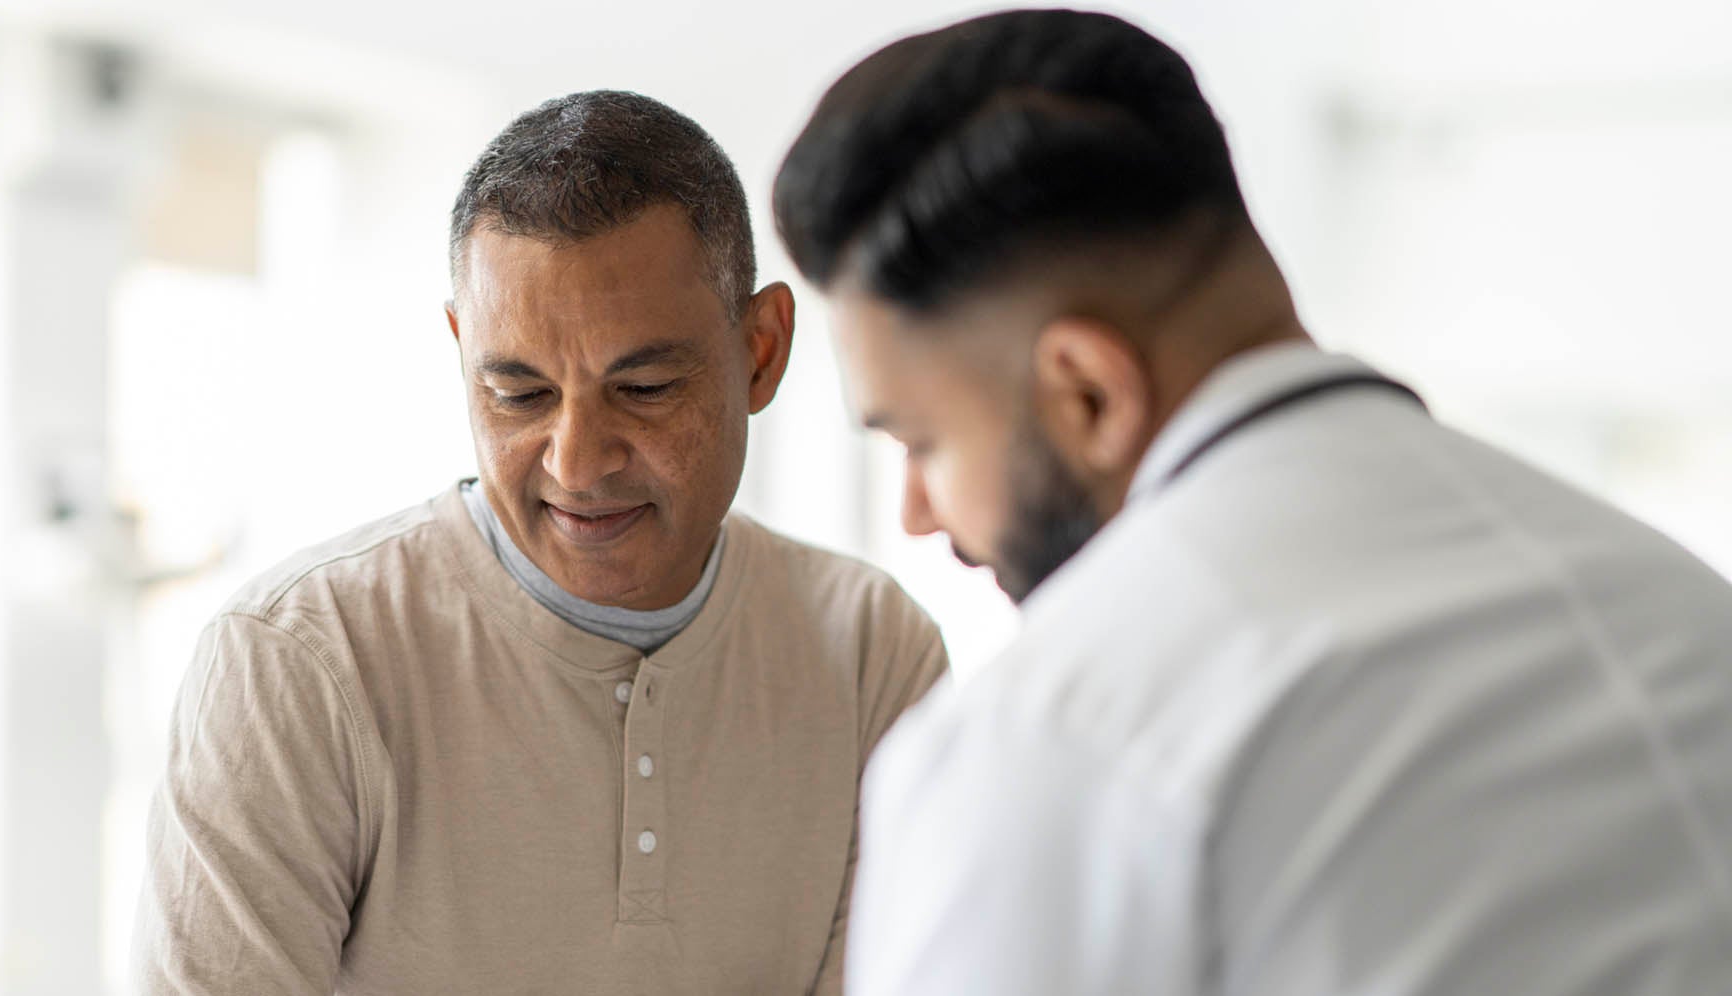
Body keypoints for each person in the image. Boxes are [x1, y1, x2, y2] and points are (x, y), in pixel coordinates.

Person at [773, 9, 1732, 995]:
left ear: (1088, 395)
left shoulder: (1047, 740)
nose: (916, 513)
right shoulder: (1677, 604)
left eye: (920, 444)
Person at [133, 90, 948, 995]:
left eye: (643, 388)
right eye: (518, 395)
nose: (577, 464)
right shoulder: (298, 662)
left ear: (760, 351)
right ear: (462, 353)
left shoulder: (871, 654)